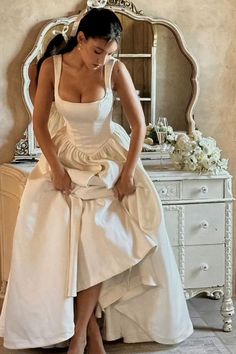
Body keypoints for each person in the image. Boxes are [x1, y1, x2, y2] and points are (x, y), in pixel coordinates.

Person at [0, 7, 193, 354]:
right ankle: (88, 330)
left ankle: (80, 336)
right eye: (97, 51)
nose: (102, 60)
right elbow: (41, 124)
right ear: (81, 39)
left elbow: (138, 127)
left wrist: (129, 173)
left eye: (110, 54)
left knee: (98, 241)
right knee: (64, 245)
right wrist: (56, 169)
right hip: (64, 159)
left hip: (107, 162)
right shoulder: (51, 67)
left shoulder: (114, 71)